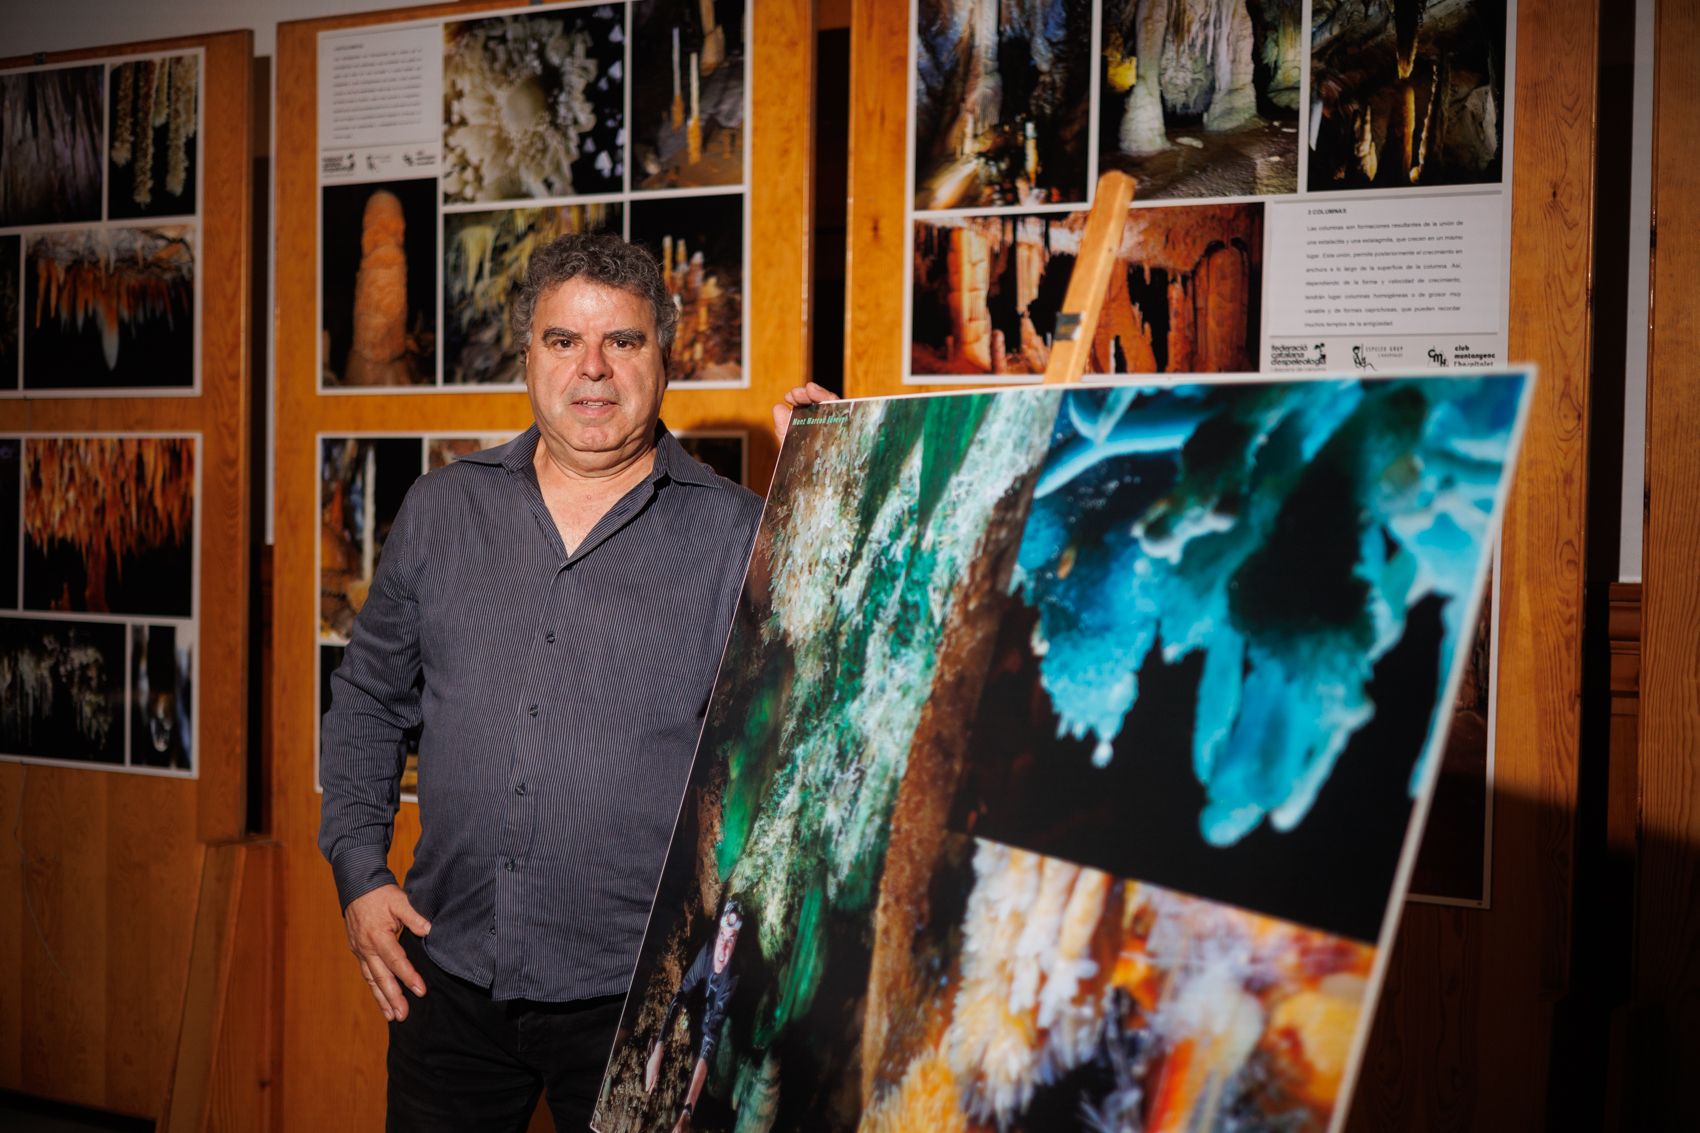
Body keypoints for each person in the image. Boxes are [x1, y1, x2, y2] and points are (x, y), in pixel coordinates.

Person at [318, 232, 834, 1132]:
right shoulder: (444, 510)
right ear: (528, 358)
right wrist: (360, 870)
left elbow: (819, 706)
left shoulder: (737, 534)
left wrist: (819, 498)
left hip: (643, 997)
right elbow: (367, 697)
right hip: (447, 980)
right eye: (564, 341)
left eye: (623, 342)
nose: (593, 368)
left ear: (663, 360)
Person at [643, 900, 745, 1132]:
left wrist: (687, 1112)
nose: (724, 949)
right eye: (723, 936)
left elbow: (711, 1039)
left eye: (732, 940)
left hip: (716, 1014)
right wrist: (659, 1045)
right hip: (699, 1001)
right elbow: (682, 993)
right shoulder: (708, 952)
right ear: (716, 935)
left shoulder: (731, 978)